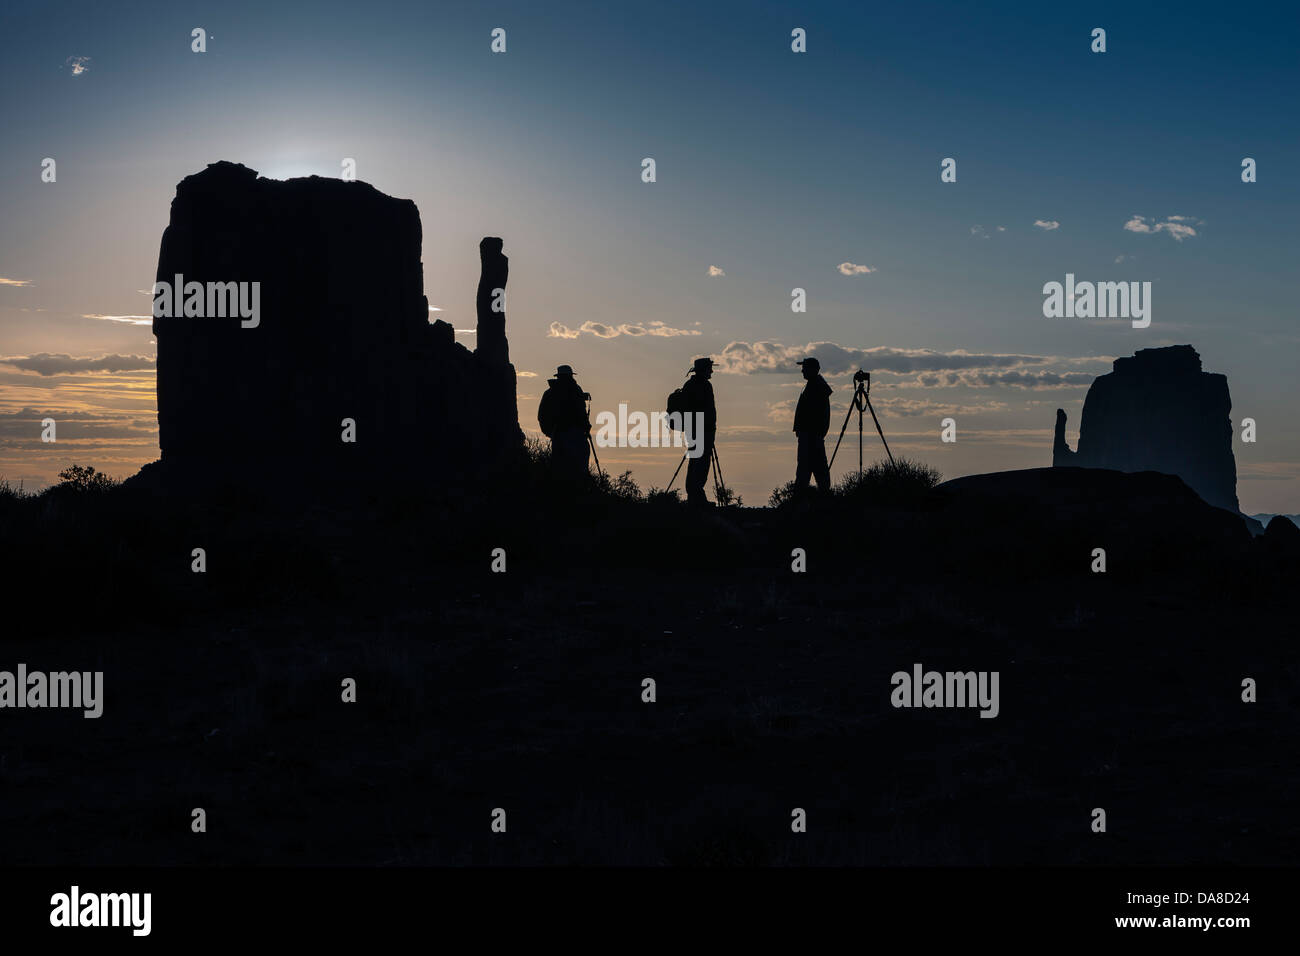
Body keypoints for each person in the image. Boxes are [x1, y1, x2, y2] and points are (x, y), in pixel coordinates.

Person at [537, 365, 591, 479]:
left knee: (561, 465)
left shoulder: (551, 393)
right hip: (570, 433)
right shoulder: (575, 391)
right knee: (577, 465)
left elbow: (541, 415)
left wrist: (550, 432)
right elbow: (582, 412)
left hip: (561, 433)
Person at [682, 357, 717, 507]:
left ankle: (693, 496)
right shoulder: (704, 386)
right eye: (710, 368)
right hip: (703, 431)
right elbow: (707, 410)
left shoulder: (689, 385)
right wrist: (710, 429)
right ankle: (697, 498)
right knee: (701, 463)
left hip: (692, 430)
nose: (712, 371)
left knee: (694, 461)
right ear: (704, 370)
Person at [793, 357, 832, 493]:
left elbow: (815, 415)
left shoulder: (816, 387)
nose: (802, 371)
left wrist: (812, 433)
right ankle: (818, 499)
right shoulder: (813, 385)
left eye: (805, 368)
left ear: (813, 369)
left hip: (811, 437)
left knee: (809, 470)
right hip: (810, 436)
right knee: (813, 469)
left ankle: (804, 501)